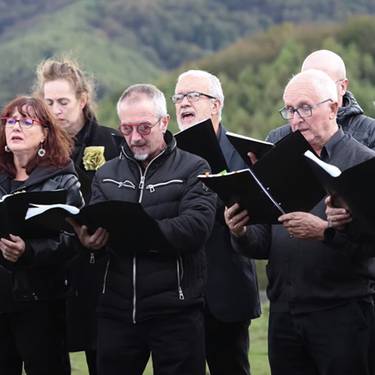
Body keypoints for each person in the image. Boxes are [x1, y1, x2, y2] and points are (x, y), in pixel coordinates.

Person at [224, 69, 375, 375]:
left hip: (342, 314)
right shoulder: (278, 163)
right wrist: (240, 231)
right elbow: (264, 242)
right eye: (290, 110)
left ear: (334, 107)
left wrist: (326, 233)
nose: (295, 119)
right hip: (284, 315)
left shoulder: (363, 163)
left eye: (305, 108)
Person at [70, 83, 216, 375]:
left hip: (176, 311)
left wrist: (142, 233)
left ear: (165, 122)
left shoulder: (195, 167)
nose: (135, 138)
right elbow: (97, 223)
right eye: (126, 129)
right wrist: (88, 241)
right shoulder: (106, 173)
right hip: (116, 310)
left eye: (145, 128)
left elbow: (196, 227)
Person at [33, 57, 121, 375]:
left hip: (104, 277)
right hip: (50, 275)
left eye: (63, 102)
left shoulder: (111, 143)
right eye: (49, 102)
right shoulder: (34, 150)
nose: (55, 110)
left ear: (82, 100)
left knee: (103, 361)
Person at [173, 69, 260, 375]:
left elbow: (260, 220)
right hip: (176, 294)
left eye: (193, 95)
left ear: (215, 105)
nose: (183, 102)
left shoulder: (244, 152)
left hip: (226, 290)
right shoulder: (166, 156)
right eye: (179, 97)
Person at [0, 96, 83, 375]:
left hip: (41, 300)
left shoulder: (63, 179)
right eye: (11, 121)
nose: (16, 127)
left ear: (45, 133)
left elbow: (73, 239)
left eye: (26, 121)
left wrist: (29, 250)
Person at [267, 49, 375, 149]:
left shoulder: (370, 133)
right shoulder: (278, 138)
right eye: (308, 81)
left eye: (323, 81)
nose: (314, 88)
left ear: (342, 87)